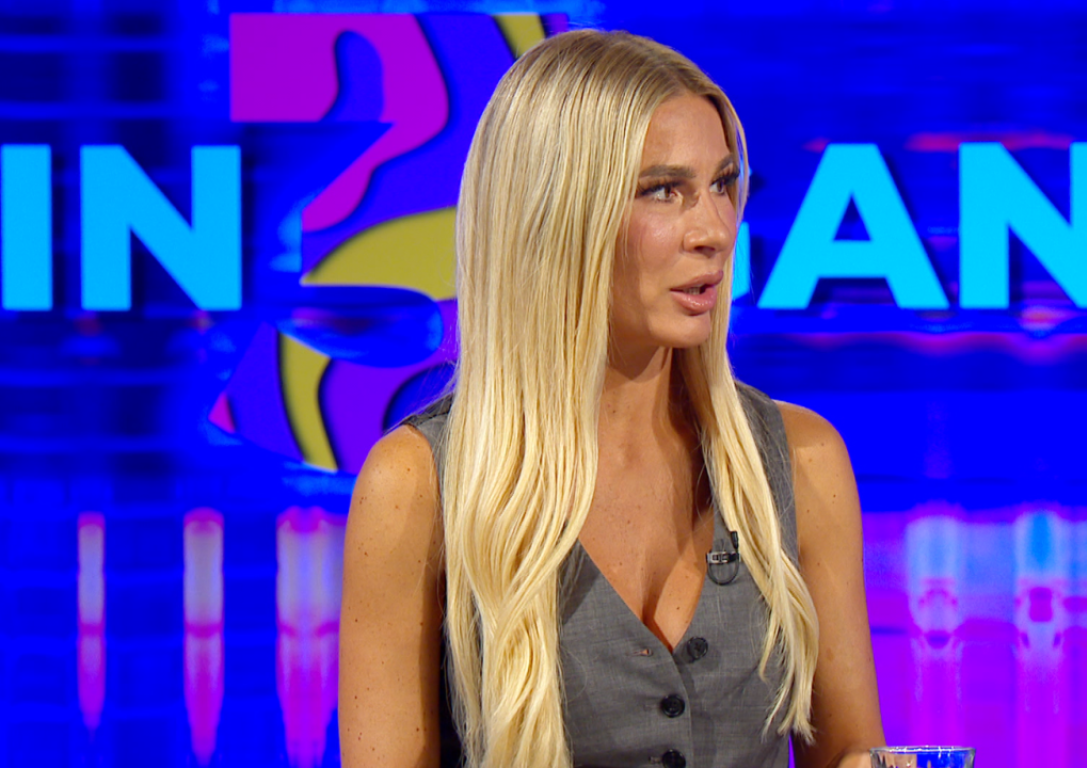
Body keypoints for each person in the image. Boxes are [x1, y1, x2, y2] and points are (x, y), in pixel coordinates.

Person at [337, 29, 884, 768]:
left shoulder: (799, 461)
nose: (715, 230)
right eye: (664, 190)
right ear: (557, 216)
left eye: (723, 184)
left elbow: (850, 752)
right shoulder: (418, 486)